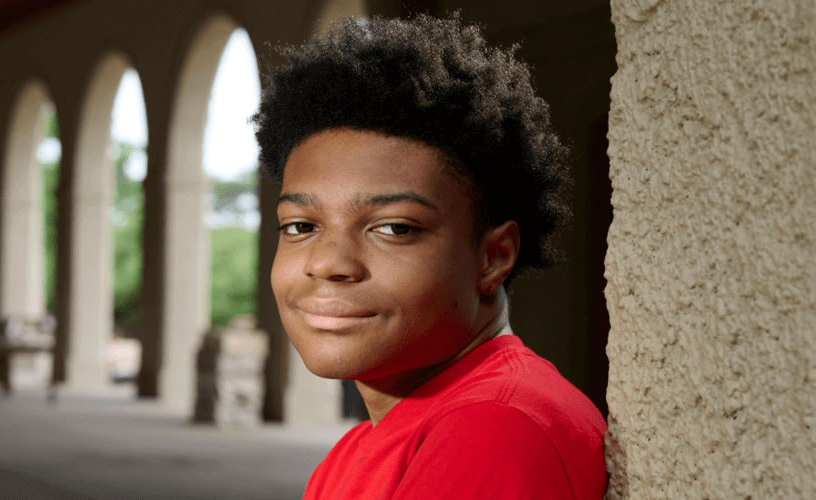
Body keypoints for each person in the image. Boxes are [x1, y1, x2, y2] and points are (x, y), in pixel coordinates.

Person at [252, 12, 607, 499]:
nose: (329, 263)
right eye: (301, 226)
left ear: (493, 257)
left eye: (394, 228)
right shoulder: (363, 447)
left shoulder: (495, 429)